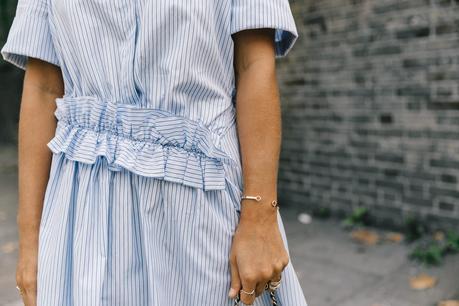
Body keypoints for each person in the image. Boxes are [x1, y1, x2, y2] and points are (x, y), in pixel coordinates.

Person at [1, 0, 308, 305]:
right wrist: (30, 243)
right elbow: (43, 88)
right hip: (82, 211)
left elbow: (253, 66)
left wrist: (260, 218)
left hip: (201, 205)